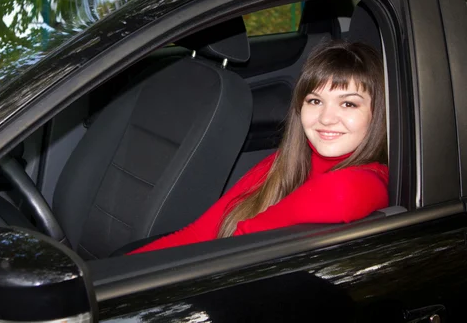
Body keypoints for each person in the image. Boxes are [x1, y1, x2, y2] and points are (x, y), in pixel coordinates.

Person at [129, 41, 389, 254]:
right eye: (314, 100)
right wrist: (116, 275)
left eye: (348, 104)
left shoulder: (361, 183)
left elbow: (238, 247)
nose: (326, 118)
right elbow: (201, 233)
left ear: (377, 113)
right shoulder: (284, 162)